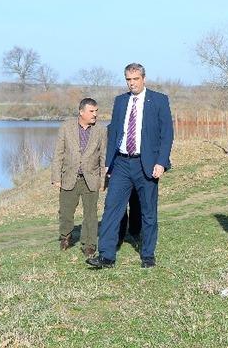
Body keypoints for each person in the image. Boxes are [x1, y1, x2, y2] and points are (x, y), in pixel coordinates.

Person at [86, 63, 174, 269]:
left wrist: (161, 162)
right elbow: (115, 132)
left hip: (147, 164)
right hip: (122, 164)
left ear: (143, 78)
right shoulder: (120, 101)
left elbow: (167, 135)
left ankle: (148, 255)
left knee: (148, 211)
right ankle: (106, 256)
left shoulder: (159, 100)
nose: (132, 83)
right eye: (128, 79)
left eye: (135, 79)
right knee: (111, 209)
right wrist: (108, 163)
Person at [50, 98, 107, 257]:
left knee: (91, 214)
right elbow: (58, 153)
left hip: (91, 178)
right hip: (69, 177)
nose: (95, 114)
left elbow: (103, 156)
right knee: (66, 212)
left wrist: (103, 180)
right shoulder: (66, 127)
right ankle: (65, 236)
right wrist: (56, 177)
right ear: (81, 112)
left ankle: (89, 244)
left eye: (96, 111)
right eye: (91, 111)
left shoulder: (101, 130)